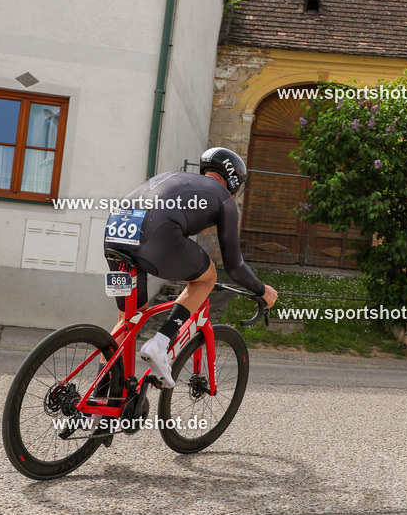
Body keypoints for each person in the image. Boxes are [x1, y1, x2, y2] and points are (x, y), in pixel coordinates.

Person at [103, 147, 278, 388]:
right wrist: (262, 290)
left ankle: (102, 393)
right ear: (233, 181)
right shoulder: (223, 197)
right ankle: (160, 343)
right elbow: (234, 266)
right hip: (156, 235)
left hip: (116, 231)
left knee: (129, 319)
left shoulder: (175, 176)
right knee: (207, 277)